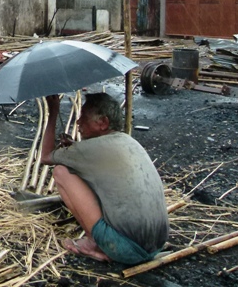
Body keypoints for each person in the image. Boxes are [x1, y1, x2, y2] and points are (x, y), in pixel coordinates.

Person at [39, 92, 169, 265]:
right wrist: (75, 147)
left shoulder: (89, 150)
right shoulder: (128, 141)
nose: (78, 122)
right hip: (157, 245)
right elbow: (97, 158)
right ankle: (103, 239)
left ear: (103, 123)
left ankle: (93, 244)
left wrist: (53, 112)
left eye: (84, 117)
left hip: (125, 249)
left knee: (61, 172)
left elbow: (45, 156)